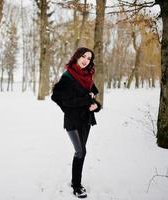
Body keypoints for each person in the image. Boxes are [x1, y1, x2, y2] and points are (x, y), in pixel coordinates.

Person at [51, 47, 101, 198]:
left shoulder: (88, 76)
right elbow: (57, 98)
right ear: (77, 57)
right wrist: (72, 107)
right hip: (73, 121)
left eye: (89, 58)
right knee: (81, 152)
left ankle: (75, 181)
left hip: (86, 119)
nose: (86, 60)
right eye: (84, 56)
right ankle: (76, 186)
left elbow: (92, 98)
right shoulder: (68, 76)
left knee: (81, 152)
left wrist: (96, 106)